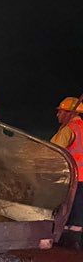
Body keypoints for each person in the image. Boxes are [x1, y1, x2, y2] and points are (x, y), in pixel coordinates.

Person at [52, 96, 83, 250]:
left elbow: (52, 149)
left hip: (73, 176)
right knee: (78, 209)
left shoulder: (69, 129)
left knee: (67, 208)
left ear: (69, 113)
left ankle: (65, 239)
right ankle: (75, 239)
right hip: (82, 177)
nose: (58, 115)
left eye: (60, 112)